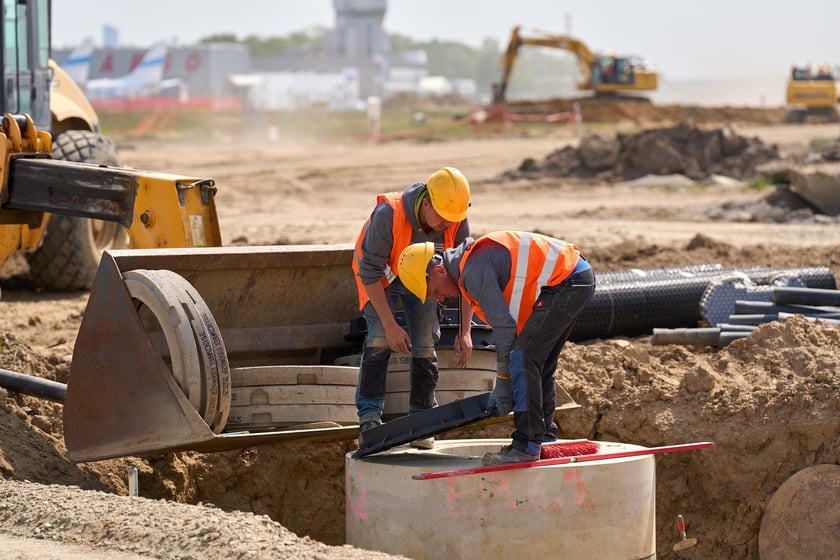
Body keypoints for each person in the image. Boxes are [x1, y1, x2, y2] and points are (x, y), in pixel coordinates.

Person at [397, 231, 595, 465]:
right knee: (537, 362)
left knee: (523, 357)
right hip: (573, 277)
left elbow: (505, 329)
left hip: (567, 280)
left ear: (438, 271)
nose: (439, 299)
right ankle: (543, 437)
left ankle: (527, 443)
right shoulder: (468, 266)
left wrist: (503, 381)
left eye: (433, 291)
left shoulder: (473, 271)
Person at [352, 167, 473, 448]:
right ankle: (369, 418)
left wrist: (465, 330)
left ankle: (422, 420)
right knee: (381, 337)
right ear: (427, 202)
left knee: (425, 342)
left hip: (426, 280)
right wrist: (392, 325)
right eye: (442, 217)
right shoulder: (388, 215)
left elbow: (466, 274)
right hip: (382, 275)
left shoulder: (455, 220)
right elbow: (369, 272)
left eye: (452, 218)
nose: (447, 224)